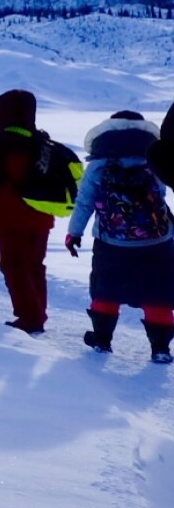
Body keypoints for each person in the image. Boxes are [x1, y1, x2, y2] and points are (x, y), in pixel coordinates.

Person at [0, 89, 81, 335]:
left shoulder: (0, 144)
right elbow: (11, 138)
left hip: (10, 216)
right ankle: (37, 314)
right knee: (34, 265)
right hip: (40, 215)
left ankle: (30, 318)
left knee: (13, 265)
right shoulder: (38, 139)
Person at [65, 111, 174, 362]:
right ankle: (160, 348)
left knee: (106, 289)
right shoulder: (156, 158)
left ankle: (102, 341)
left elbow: (84, 204)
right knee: (158, 292)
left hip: (111, 242)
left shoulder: (98, 164)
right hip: (157, 241)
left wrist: (74, 233)